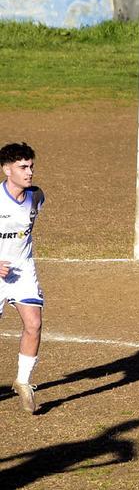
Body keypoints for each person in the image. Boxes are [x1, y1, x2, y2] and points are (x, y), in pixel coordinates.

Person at [1, 143, 45, 414]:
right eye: (23, 167)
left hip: (22, 269)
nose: (29, 173)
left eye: (31, 166)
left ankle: (23, 381)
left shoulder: (36, 196)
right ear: (7, 169)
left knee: (34, 323)